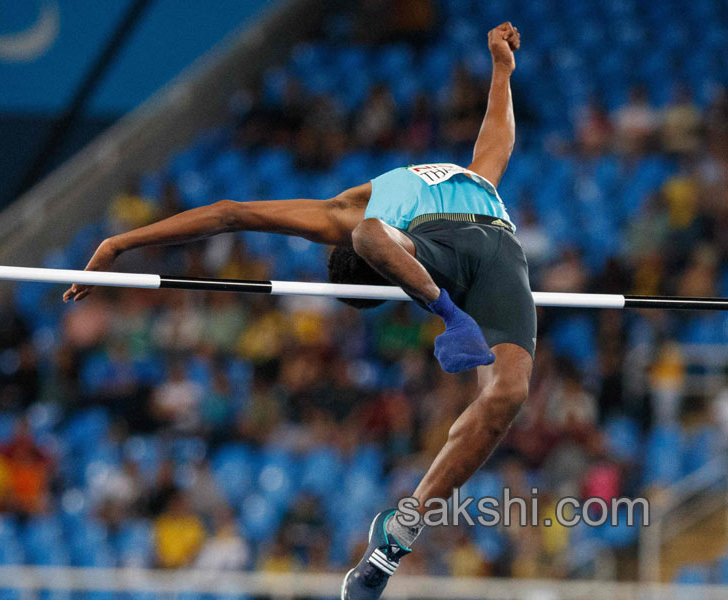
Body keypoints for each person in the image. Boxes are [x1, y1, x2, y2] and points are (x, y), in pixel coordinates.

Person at [65, 22, 528, 600]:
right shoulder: (352, 218)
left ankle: (399, 523)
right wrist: (124, 244)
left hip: (493, 250)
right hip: (433, 253)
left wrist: (501, 68)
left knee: (506, 395)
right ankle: (448, 320)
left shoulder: (398, 203)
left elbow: (495, 142)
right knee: (369, 236)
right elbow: (236, 213)